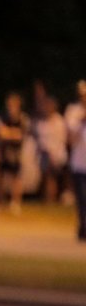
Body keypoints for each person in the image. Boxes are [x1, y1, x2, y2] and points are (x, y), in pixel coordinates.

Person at [0, 92, 30, 215]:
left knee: (17, 179)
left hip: (17, 154)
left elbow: (20, 135)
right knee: (2, 178)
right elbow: (0, 133)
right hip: (5, 153)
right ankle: (1, 202)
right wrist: (11, 133)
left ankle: (15, 203)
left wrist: (8, 133)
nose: (10, 107)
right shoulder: (4, 118)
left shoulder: (23, 118)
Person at [33, 94, 68, 204]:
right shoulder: (41, 121)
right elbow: (39, 138)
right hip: (44, 154)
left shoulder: (59, 121)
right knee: (46, 177)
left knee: (54, 177)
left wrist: (54, 152)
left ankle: (54, 198)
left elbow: (62, 139)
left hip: (57, 153)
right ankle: (48, 199)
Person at [67, 80, 86, 242]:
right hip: (79, 163)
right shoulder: (73, 111)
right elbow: (71, 137)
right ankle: (83, 227)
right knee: (81, 198)